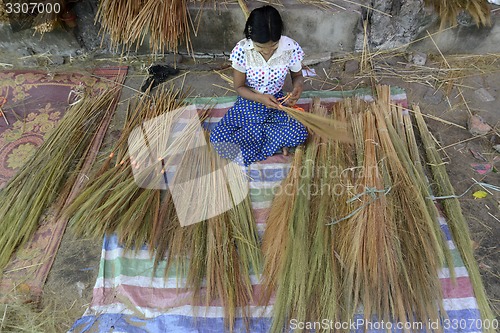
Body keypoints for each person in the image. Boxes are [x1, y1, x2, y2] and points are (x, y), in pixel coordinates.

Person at [210, 5, 308, 166]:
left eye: (273, 47)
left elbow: (297, 76)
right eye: (261, 48)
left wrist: (297, 88)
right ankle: (272, 141)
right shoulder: (242, 51)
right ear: (250, 37)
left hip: (277, 103)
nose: (268, 52)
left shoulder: (290, 48)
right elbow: (240, 87)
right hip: (249, 101)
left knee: (299, 134)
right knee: (218, 139)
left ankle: (255, 141)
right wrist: (260, 98)